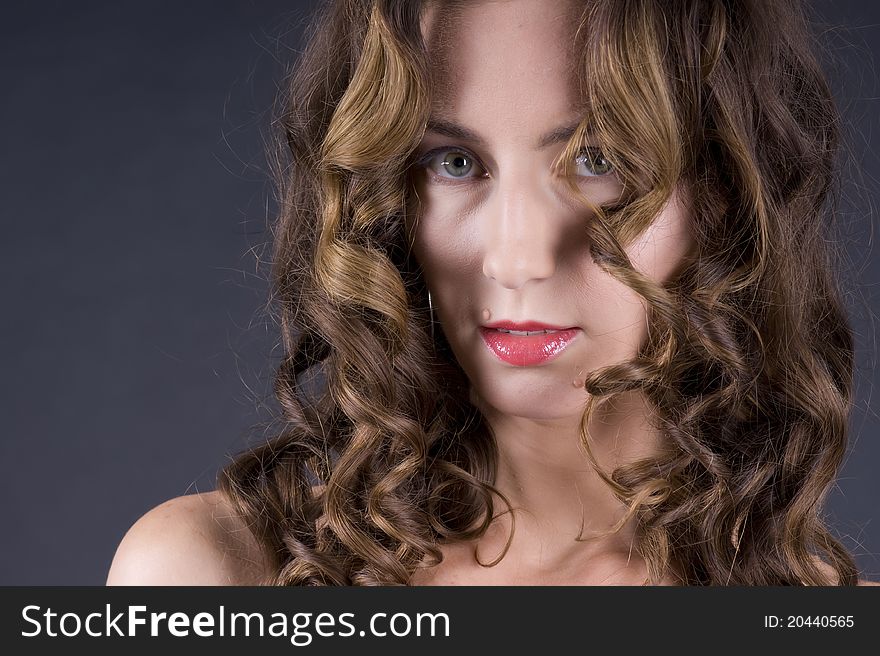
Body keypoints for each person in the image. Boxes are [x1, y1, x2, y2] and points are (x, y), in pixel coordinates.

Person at [106, 0, 878, 586]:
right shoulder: (215, 577)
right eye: (453, 163)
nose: (516, 258)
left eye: (598, 157)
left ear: (726, 192)